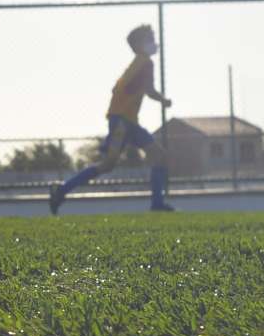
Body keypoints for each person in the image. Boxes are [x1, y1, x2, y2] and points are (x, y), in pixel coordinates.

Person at [48, 23, 174, 214]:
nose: (154, 43)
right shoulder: (145, 62)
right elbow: (146, 89)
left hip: (128, 120)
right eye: (150, 39)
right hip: (122, 121)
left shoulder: (140, 62)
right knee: (108, 164)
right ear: (140, 44)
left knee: (158, 156)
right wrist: (164, 100)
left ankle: (157, 204)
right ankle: (61, 190)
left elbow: (123, 88)